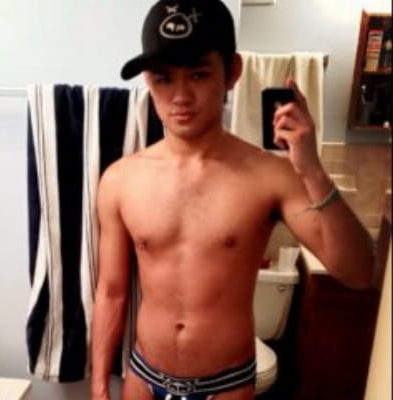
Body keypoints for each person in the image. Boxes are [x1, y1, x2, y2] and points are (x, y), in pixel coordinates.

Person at [91, 1, 374, 399]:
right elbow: (111, 291)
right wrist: (99, 387)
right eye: (163, 78)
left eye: (199, 74)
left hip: (225, 387)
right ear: (148, 80)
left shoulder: (270, 176)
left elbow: (358, 272)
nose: (180, 96)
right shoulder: (120, 180)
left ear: (232, 71)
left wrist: (312, 169)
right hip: (143, 379)